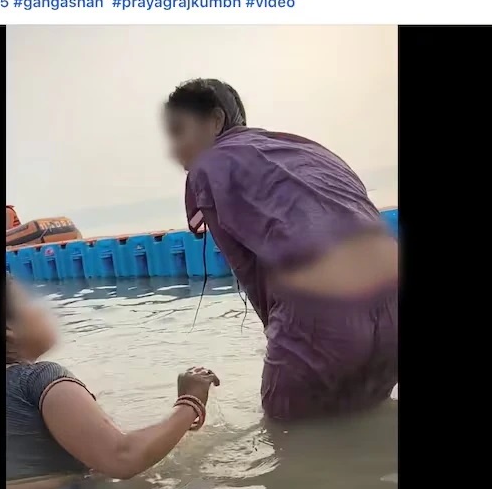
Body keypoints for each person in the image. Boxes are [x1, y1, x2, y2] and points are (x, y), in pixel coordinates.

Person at [164, 78, 398, 421]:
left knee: (287, 434)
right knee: (372, 418)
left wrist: (282, 340)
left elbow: (249, 273)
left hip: (322, 310)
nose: (173, 150)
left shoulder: (209, 165)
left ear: (215, 121)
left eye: (180, 131)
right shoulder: (307, 149)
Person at [5, 277, 219, 489]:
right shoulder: (38, 379)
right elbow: (122, 458)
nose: (42, 309)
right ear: (8, 329)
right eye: (29, 302)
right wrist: (190, 401)